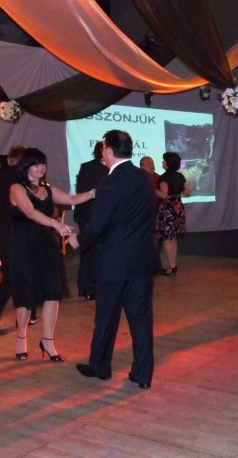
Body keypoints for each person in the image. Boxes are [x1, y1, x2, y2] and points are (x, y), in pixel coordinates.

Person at [68, 130, 159, 389]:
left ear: (108, 151)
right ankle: (142, 375)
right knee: (141, 320)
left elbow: (99, 223)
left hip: (115, 262)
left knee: (106, 317)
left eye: (103, 148)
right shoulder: (146, 178)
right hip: (142, 260)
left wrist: (78, 240)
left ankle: (100, 367)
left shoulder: (109, 183)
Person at [8, 147, 95, 362]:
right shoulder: (17, 188)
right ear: (26, 167)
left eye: (43, 164)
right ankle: (21, 338)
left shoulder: (47, 188)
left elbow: (71, 199)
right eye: (36, 164)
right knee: (26, 294)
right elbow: (30, 212)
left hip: (46, 245)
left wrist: (94, 192)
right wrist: (56, 224)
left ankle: (47, 341)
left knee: (52, 292)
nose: (41, 168)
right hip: (23, 246)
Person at [0, 146, 38, 335]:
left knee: (15, 276)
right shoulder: (25, 177)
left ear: (8, 159)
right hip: (21, 231)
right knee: (19, 276)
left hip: (4, 233)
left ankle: (25, 314)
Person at [74, 141, 108, 301]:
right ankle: (88, 287)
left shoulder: (110, 168)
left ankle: (88, 286)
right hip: (90, 215)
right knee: (90, 252)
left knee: (95, 252)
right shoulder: (90, 167)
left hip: (99, 216)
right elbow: (82, 191)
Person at [156, 152, 191, 275]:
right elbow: (187, 192)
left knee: (167, 238)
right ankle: (173, 265)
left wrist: (152, 189)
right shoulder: (180, 176)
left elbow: (164, 195)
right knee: (173, 237)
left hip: (168, 208)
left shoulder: (163, 178)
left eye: (164, 160)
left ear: (168, 163)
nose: (162, 162)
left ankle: (171, 266)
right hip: (178, 207)